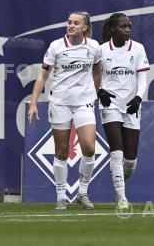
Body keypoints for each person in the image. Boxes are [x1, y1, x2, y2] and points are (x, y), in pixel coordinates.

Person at [27, 11, 101, 210]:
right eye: (69, 22)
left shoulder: (93, 47)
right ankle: (61, 196)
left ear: (85, 27)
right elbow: (42, 76)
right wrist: (33, 102)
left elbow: (97, 70)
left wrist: (95, 92)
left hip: (84, 102)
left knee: (89, 147)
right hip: (59, 102)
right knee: (61, 151)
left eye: (76, 23)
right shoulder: (56, 47)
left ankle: (82, 193)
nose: (71, 25)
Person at [98, 13, 149, 210]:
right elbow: (95, 75)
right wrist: (100, 90)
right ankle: (121, 198)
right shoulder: (101, 50)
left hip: (132, 106)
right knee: (116, 152)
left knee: (130, 161)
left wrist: (138, 98)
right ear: (112, 29)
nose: (127, 30)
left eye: (129, 26)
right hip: (110, 104)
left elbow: (143, 78)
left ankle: (120, 183)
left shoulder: (138, 49)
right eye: (123, 27)